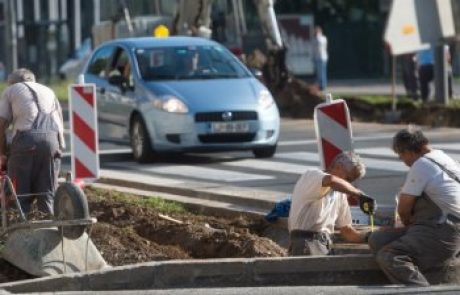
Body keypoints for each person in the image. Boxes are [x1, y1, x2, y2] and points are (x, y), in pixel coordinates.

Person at [368, 127, 460, 286]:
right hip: (441, 226)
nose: (404, 162)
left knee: (390, 256)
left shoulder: (421, 165)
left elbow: (403, 209)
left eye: (401, 156)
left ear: (408, 151)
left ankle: (421, 289)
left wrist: (405, 225)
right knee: (378, 239)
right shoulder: (442, 156)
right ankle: (410, 275)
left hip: (442, 231)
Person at [0, 68, 65, 215]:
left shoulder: (11, 90)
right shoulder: (49, 91)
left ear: (12, 83)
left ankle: (18, 231)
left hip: (26, 141)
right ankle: (49, 226)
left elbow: (1, 125)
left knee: (18, 194)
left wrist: (2, 154)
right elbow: (60, 125)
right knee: (47, 193)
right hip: (53, 142)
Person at [288, 151, 372, 256]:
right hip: (305, 241)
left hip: (325, 243)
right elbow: (331, 180)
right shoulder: (312, 175)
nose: (349, 184)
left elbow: (347, 231)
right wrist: (358, 194)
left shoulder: (340, 194)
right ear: (338, 167)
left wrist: (369, 236)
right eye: (348, 179)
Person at [312, 26, 328, 91]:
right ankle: (321, 85)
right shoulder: (315, 39)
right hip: (317, 58)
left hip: (322, 58)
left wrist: (318, 34)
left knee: (322, 73)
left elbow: (319, 42)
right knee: (319, 73)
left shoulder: (322, 38)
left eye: (317, 32)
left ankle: (322, 86)